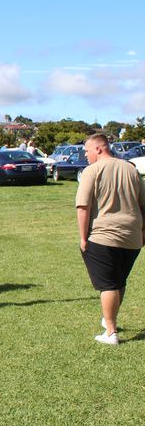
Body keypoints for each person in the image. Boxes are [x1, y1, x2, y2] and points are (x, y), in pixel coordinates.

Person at [76, 133, 145, 345]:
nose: (86, 155)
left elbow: (83, 207)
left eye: (87, 150)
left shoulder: (92, 171)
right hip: (132, 236)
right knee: (118, 280)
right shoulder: (131, 169)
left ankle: (111, 333)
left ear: (98, 149)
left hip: (103, 235)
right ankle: (109, 320)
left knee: (108, 284)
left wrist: (83, 238)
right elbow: (143, 204)